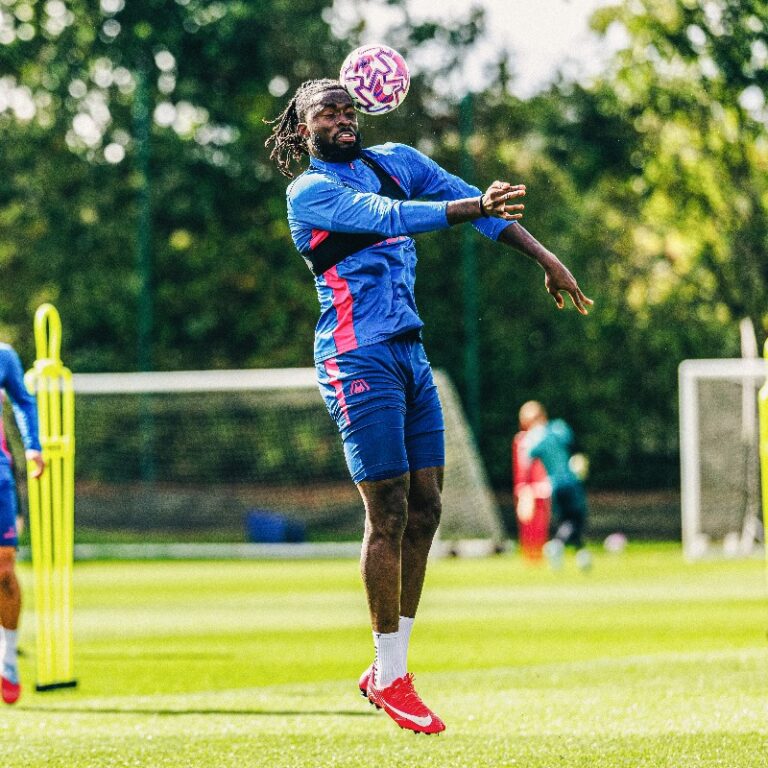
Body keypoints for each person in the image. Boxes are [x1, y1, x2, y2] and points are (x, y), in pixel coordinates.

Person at [265, 78, 592, 734]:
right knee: (387, 510)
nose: (342, 120)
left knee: (428, 507)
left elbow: (481, 210)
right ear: (303, 130)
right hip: (356, 357)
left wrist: (545, 257)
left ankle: (389, 669)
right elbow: (391, 217)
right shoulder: (309, 193)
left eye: (348, 109)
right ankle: (392, 675)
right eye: (327, 114)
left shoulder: (398, 161)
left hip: (410, 354)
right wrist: (474, 206)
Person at [0, 346, 44, 704]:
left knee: (4, 568)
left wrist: (33, 446)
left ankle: (8, 659)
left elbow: (24, 401)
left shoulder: (4, 356)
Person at [518, 400, 591, 571]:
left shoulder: (531, 439)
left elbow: (526, 463)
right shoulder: (558, 427)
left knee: (567, 521)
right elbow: (573, 446)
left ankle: (582, 555)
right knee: (577, 519)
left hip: (555, 486)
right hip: (570, 482)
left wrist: (525, 489)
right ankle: (557, 544)